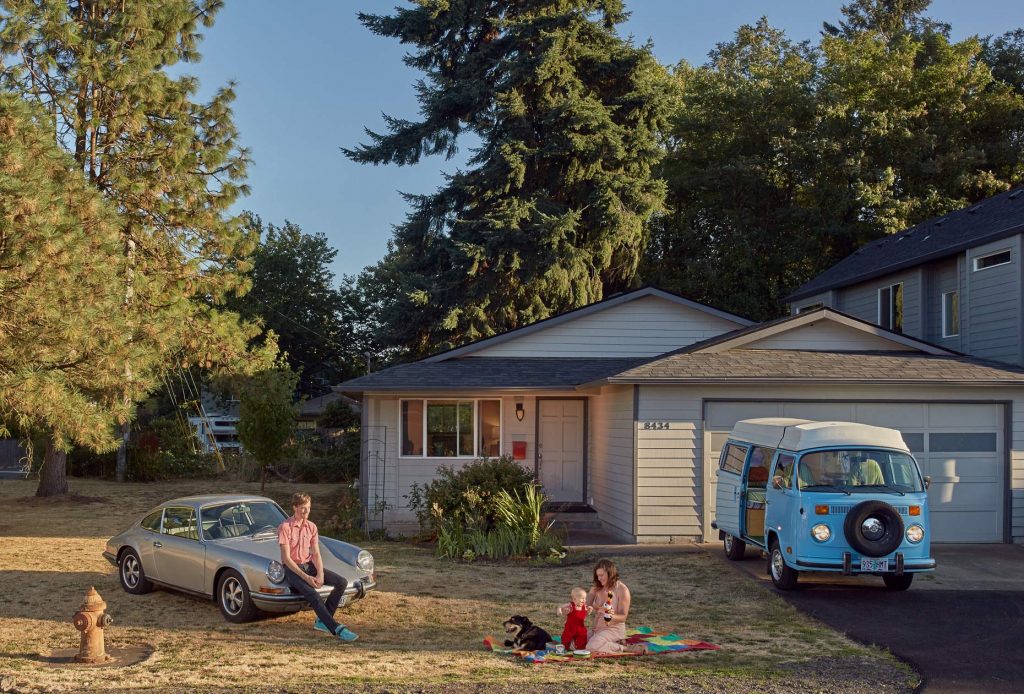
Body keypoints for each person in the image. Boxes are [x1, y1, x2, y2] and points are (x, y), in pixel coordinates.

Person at [277, 491, 358, 642]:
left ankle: (322, 622)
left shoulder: (312, 527)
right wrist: (307, 578)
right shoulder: (284, 527)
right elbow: (286, 559)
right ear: (294, 507)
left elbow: (316, 554)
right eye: (302, 508)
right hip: (292, 568)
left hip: (309, 565)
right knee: (313, 595)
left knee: (341, 582)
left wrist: (319, 573)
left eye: (308, 507)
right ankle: (336, 629)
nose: (306, 511)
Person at [585, 558, 647, 655]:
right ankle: (608, 644)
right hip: (597, 629)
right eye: (597, 576)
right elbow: (584, 608)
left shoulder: (622, 589)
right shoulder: (597, 588)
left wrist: (609, 615)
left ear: (610, 574)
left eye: (601, 575)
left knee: (591, 647)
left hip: (613, 629)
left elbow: (623, 617)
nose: (599, 578)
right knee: (574, 643)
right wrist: (591, 594)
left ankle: (625, 648)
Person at [557, 586, 592, 651]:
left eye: (585, 598)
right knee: (566, 638)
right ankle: (564, 648)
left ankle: (580, 648)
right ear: (574, 599)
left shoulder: (584, 607)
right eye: (582, 598)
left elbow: (585, 615)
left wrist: (589, 611)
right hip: (570, 627)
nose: (584, 600)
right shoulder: (571, 605)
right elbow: (560, 607)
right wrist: (559, 611)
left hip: (580, 627)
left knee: (583, 637)